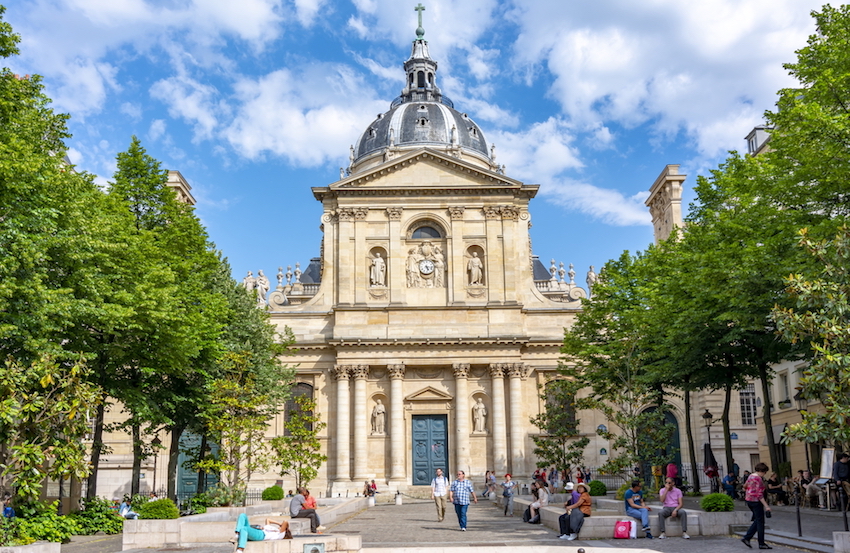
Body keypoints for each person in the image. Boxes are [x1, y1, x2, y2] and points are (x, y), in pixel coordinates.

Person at [741, 462, 772, 549]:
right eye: (765, 472)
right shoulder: (758, 479)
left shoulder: (751, 476)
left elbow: (745, 486)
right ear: (762, 471)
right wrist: (766, 506)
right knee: (760, 522)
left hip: (748, 500)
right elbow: (759, 495)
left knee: (758, 520)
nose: (764, 474)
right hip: (756, 501)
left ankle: (747, 537)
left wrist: (749, 491)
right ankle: (760, 543)